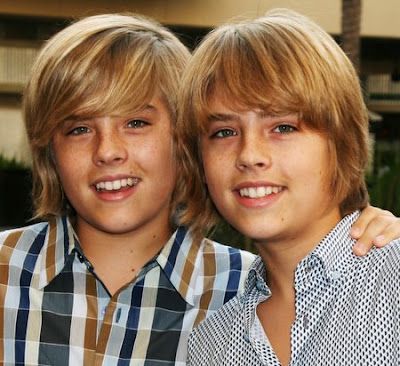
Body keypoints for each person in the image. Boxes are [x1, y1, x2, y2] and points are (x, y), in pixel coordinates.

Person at [0, 11, 397, 366]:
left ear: (182, 143)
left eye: (136, 122)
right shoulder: (217, 336)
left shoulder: (233, 285)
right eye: (79, 128)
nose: (108, 151)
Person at [176, 9, 400, 366]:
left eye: (283, 127)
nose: (249, 155)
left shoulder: (392, 280)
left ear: (342, 143)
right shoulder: (210, 343)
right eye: (224, 132)